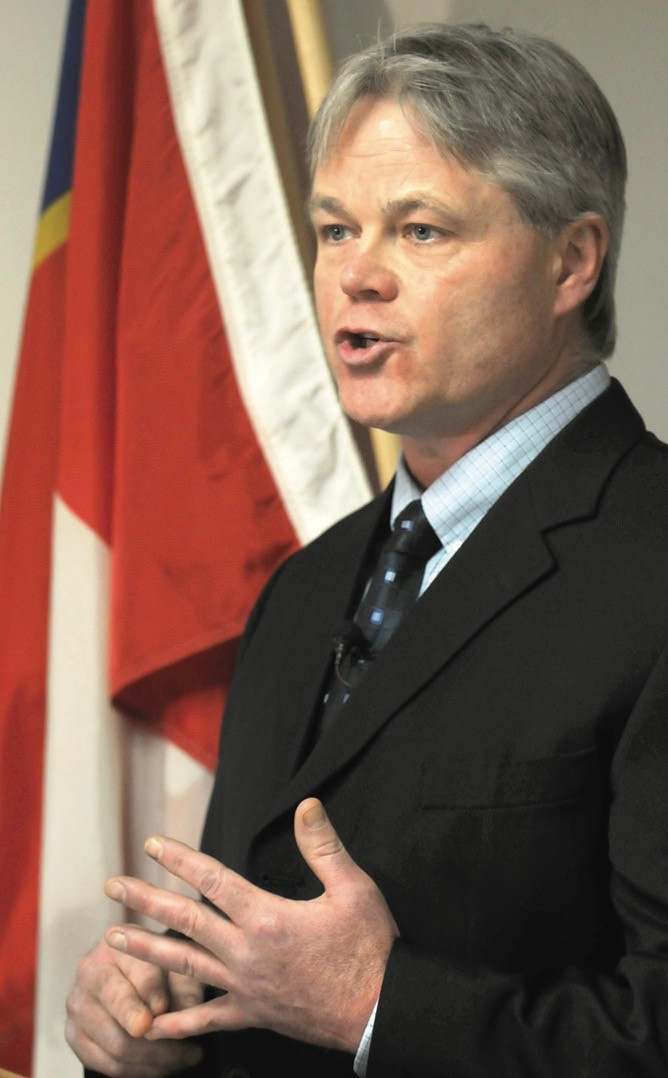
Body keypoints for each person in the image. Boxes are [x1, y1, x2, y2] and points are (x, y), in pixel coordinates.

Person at [66, 23, 668, 1077]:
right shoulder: (301, 588)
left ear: (571, 260)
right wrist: (164, 1012)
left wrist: (380, 1005)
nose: (357, 277)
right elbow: (262, 959)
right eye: (334, 229)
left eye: (420, 230)